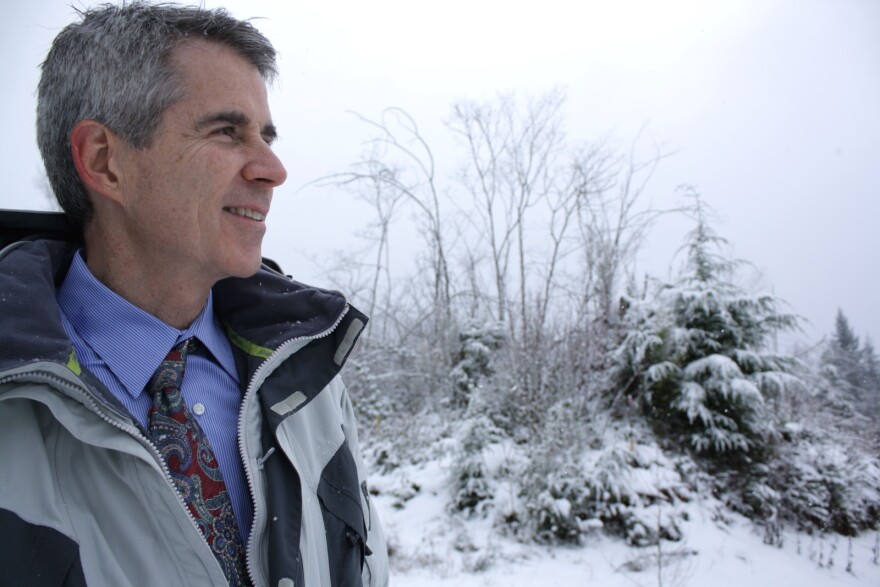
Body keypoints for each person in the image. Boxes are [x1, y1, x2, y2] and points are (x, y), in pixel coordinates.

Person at [0, 2, 388, 586]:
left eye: (266, 136)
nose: (273, 169)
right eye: (227, 131)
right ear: (105, 162)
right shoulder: (14, 412)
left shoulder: (305, 373)